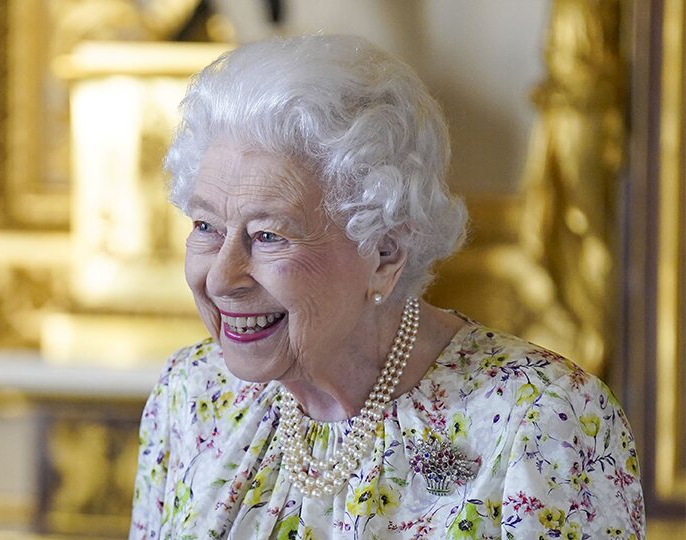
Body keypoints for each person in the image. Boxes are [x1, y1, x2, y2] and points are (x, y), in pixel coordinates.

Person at [130, 35, 644, 539]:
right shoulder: (193, 395)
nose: (220, 277)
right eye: (205, 228)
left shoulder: (544, 420)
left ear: (384, 254)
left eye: (268, 236)